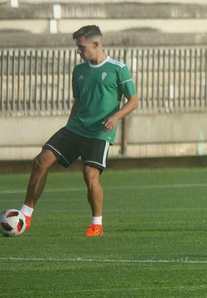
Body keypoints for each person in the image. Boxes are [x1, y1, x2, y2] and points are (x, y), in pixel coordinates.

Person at [15, 24, 139, 237]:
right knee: (40, 161)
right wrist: (69, 124)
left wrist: (115, 116)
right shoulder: (79, 70)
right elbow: (78, 100)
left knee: (90, 175)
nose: (78, 52)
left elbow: (134, 101)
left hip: (99, 132)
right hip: (75, 128)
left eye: (82, 47)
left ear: (96, 44)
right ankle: (25, 214)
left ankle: (96, 225)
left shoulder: (118, 69)